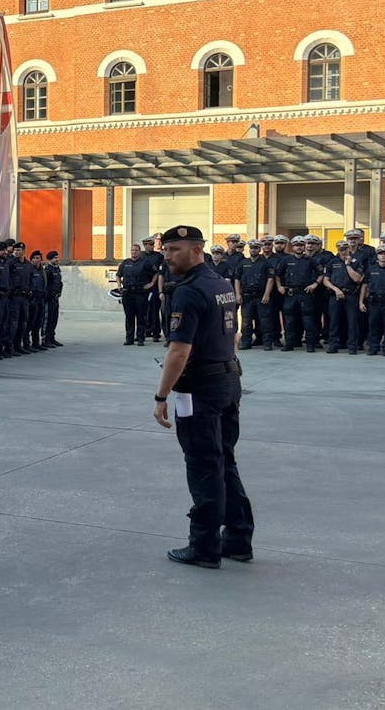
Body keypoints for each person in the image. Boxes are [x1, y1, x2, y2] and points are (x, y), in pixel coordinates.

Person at [149, 224, 252, 570]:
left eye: (174, 250)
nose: (167, 257)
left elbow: (178, 351)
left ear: (196, 250)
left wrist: (161, 395)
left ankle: (205, 545)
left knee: (204, 465)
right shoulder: (220, 283)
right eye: (165, 250)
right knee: (225, 460)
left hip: (201, 390)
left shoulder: (190, 291)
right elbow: (232, 334)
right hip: (226, 379)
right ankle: (238, 538)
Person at [358, 245, 385, 357]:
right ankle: (373, 347)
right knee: (373, 326)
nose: (383, 256)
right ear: (377, 256)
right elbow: (364, 286)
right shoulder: (371, 269)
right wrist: (361, 302)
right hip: (373, 302)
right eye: (381, 253)